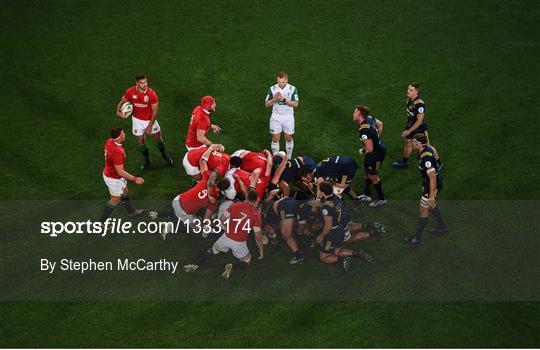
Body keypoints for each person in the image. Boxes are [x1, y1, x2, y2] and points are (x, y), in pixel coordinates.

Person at [148, 147, 230, 239]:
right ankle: (169, 227)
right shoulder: (214, 201)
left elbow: (202, 161)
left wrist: (210, 149)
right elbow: (206, 219)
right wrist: (213, 226)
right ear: (223, 191)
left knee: (183, 212)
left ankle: (157, 214)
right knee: (196, 227)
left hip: (178, 199)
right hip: (184, 210)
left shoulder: (207, 177)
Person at [183, 189, 264, 279]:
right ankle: (231, 266)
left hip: (226, 237)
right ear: (256, 199)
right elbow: (258, 236)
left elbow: (222, 219)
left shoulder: (235, 205)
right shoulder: (256, 215)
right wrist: (261, 250)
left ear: (246, 197)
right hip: (239, 243)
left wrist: (227, 227)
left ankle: (195, 265)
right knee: (246, 261)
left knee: (212, 250)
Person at [116, 74, 173, 170]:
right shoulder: (130, 92)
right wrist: (118, 111)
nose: (145, 84)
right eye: (142, 83)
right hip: (137, 120)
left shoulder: (151, 94)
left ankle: (165, 156)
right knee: (141, 141)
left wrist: (150, 126)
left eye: (146, 82)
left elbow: (155, 111)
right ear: (137, 83)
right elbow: (122, 101)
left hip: (149, 119)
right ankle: (147, 162)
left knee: (158, 138)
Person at [315, 181, 373, 271]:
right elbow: (332, 205)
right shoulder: (337, 197)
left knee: (323, 257)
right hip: (341, 228)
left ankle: (342, 259)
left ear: (322, 192)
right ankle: (357, 253)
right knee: (337, 250)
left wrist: (321, 236)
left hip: (332, 234)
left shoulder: (326, 208)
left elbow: (328, 226)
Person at [405, 133, 448, 246]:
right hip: (430, 183)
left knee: (423, 209)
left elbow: (432, 178)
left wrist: (431, 195)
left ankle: (417, 238)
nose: (412, 143)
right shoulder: (425, 149)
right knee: (431, 205)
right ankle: (442, 226)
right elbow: (434, 150)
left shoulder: (426, 158)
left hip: (432, 185)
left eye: (414, 142)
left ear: (419, 144)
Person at [100, 127, 144, 222]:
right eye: (123, 134)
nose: (125, 134)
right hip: (114, 178)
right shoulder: (118, 151)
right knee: (115, 199)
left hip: (111, 174)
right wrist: (135, 178)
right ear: (120, 137)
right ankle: (101, 223)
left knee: (125, 191)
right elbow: (120, 171)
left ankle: (131, 212)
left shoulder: (109, 141)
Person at [354, 105, 387, 207]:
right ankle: (367, 194)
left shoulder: (363, 130)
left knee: (374, 176)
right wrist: (376, 137)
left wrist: (362, 151)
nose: (353, 114)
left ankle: (381, 198)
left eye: (355, 112)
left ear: (360, 116)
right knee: (366, 171)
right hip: (375, 151)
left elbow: (370, 149)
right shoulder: (369, 118)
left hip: (376, 154)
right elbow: (380, 124)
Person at [392, 82, 428, 169]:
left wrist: (408, 131)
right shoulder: (409, 99)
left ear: (416, 91)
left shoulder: (420, 104)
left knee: (426, 146)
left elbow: (419, 121)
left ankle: (438, 162)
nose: (408, 91)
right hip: (411, 124)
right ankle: (404, 162)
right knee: (408, 142)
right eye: (408, 89)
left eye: (410, 90)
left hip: (419, 127)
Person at [265, 71, 299, 157]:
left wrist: (284, 100)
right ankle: (276, 159)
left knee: (288, 137)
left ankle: (289, 158)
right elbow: (266, 104)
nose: (280, 84)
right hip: (276, 117)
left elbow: (296, 104)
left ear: (287, 80)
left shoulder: (292, 89)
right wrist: (274, 99)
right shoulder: (272, 89)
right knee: (275, 138)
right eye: (279, 82)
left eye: (283, 82)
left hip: (288, 117)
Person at [261, 197, 304, 264]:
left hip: (284, 207)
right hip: (293, 201)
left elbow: (270, 230)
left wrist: (274, 240)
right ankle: (305, 236)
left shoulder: (264, 216)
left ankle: (298, 256)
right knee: (288, 228)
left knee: (286, 234)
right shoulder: (269, 207)